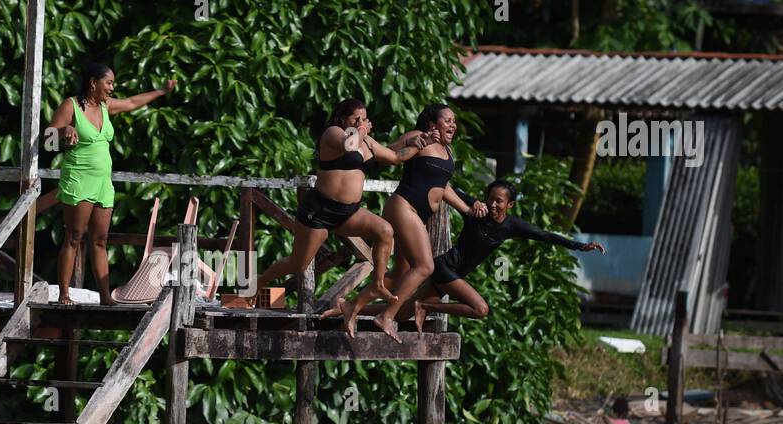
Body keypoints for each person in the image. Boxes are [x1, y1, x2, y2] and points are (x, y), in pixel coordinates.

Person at [241, 98, 429, 310]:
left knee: (385, 231)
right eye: (356, 119)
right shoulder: (334, 133)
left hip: (348, 213)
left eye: (364, 119)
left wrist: (416, 145)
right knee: (298, 263)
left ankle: (377, 284)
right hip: (319, 210)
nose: (362, 122)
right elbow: (349, 146)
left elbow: (395, 157)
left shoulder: (366, 142)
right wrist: (361, 132)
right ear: (342, 119)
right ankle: (258, 283)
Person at [328, 103, 486, 340]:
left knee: (401, 275)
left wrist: (467, 208)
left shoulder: (447, 151)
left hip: (417, 215)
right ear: (433, 124)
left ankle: (352, 306)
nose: (453, 125)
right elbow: (387, 153)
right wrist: (415, 141)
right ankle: (386, 317)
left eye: (454, 121)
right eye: (448, 120)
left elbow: (443, 186)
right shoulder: (417, 136)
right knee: (425, 266)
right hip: (404, 207)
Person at [46, 63, 177, 305]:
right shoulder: (70, 105)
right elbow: (48, 140)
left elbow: (130, 103)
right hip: (79, 179)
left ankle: (105, 297)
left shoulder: (106, 106)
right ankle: (65, 294)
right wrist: (64, 130)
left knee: (100, 240)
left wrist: (161, 91)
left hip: (103, 184)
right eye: (108, 83)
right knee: (74, 236)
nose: (112, 88)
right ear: (93, 83)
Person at [397, 179, 605, 324]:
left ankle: (364, 312)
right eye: (490, 198)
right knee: (481, 309)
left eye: (499, 201)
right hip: (445, 268)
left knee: (401, 313)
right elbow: (444, 186)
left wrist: (579, 246)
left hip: (455, 274)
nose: (493, 204)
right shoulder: (477, 209)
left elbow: (545, 235)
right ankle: (425, 307)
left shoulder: (512, 226)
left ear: (510, 204)